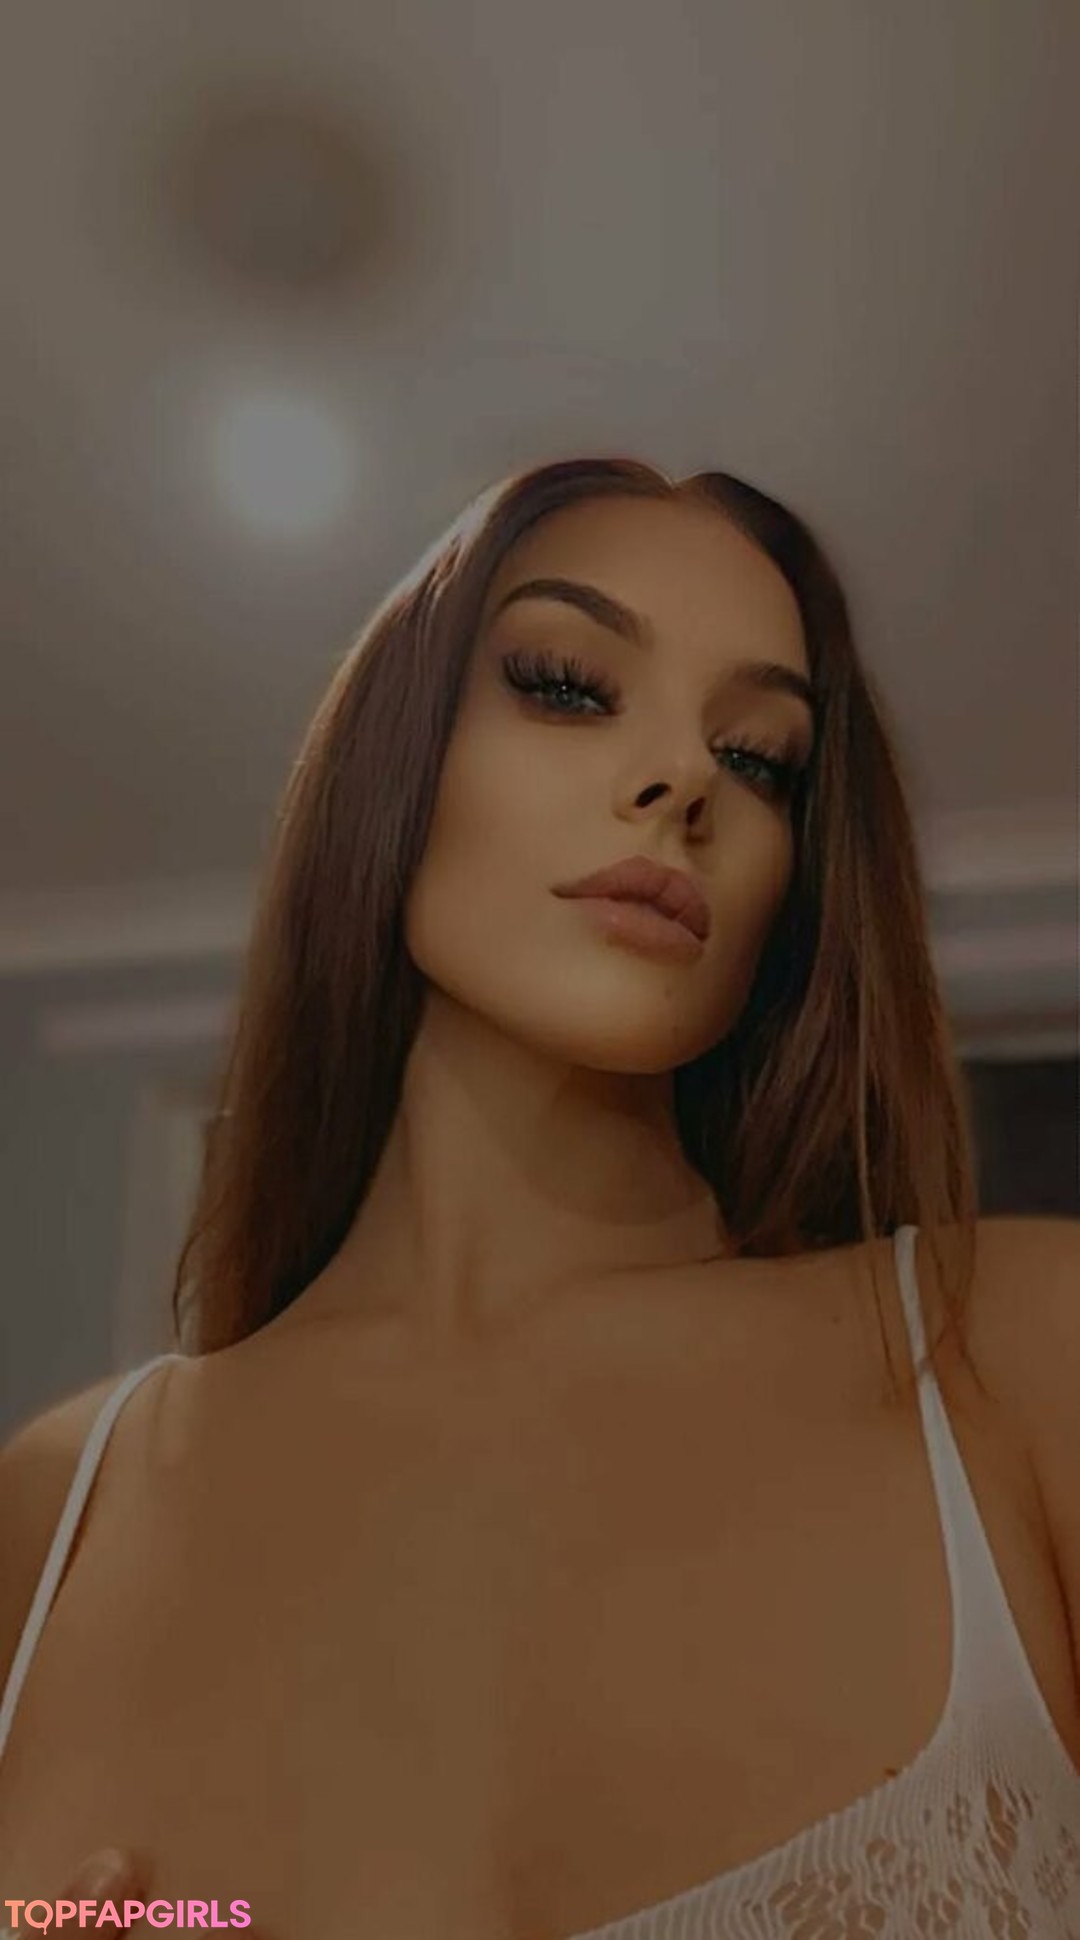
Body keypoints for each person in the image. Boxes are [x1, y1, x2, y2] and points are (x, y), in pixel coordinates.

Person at [0, 457, 1078, 1939]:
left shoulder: (1015, 1356)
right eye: (568, 685)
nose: (685, 778)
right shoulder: (59, 1508)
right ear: (395, 764)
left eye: (760, 759)